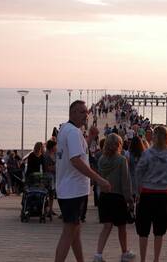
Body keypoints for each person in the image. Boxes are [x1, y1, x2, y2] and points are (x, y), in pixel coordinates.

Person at [54, 100, 111, 262]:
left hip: (68, 189)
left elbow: (77, 150)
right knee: (68, 232)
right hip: (73, 191)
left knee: (75, 232)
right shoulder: (73, 132)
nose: (85, 115)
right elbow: (76, 160)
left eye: (86, 112)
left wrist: (91, 137)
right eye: (81, 112)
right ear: (71, 113)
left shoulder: (66, 129)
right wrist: (99, 179)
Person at [135, 126, 167, 262]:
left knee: (143, 230)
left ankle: (143, 259)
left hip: (147, 192)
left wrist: (138, 189)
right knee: (159, 230)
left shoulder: (147, 153)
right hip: (163, 193)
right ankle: (156, 259)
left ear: (154, 137)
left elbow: (138, 172)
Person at [93, 133, 135, 262]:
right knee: (121, 227)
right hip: (118, 197)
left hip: (104, 197)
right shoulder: (121, 160)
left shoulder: (101, 160)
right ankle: (124, 253)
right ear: (118, 145)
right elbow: (125, 182)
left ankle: (98, 255)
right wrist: (130, 200)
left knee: (106, 227)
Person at [44, 140, 57, 216]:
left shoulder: (55, 154)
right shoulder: (46, 155)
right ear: (52, 147)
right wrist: (55, 167)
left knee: (52, 194)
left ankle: (51, 209)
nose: (56, 147)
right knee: (48, 193)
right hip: (48, 176)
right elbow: (47, 168)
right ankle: (47, 209)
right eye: (55, 146)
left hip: (54, 176)